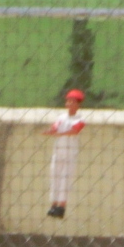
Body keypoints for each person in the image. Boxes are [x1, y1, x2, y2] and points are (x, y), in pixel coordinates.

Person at [44, 89, 87, 219]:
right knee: (54, 175)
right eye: (68, 101)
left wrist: (60, 134)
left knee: (65, 178)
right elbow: (55, 126)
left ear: (78, 104)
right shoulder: (61, 117)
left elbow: (75, 131)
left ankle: (61, 206)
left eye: (72, 101)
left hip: (70, 152)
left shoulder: (80, 119)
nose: (69, 104)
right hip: (58, 151)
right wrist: (51, 131)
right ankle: (53, 204)